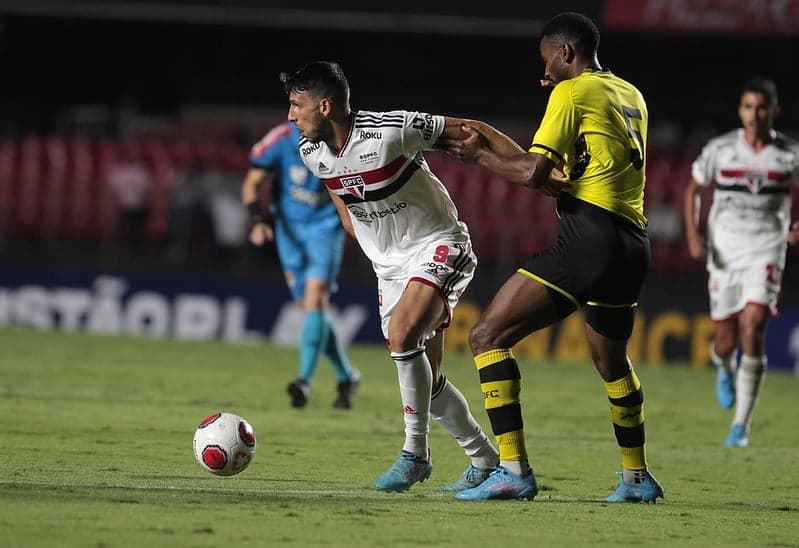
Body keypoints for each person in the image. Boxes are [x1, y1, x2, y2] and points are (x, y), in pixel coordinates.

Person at [440, 12, 663, 502]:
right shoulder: (630, 94)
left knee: (487, 335)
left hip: (591, 238)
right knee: (613, 362)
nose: (545, 72)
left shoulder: (572, 91)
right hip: (633, 244)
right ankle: (636, 476)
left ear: (566, 53)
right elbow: (565, 178)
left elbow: (533, 172)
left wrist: (481, 156)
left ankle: (513, 470)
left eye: (547, 60)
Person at [281, 61, 499, 492]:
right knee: (428, 382)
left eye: (296, 106)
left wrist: (532, 168)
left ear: (326, 106)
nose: (290, 116)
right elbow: (342, 202)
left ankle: (414, 455)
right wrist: (376, 249)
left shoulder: (389, 130)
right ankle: (485, 459)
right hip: (390, 267)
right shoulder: (311, 152)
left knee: (402, 338)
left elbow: (472, 130)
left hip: (439, 243)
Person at [683, 77, 799, 447]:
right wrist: (693, 235)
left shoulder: (788, 154)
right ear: (740, 111)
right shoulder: (721, 150)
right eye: (748, 107)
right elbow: (693, 189)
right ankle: (721, 366)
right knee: (725, 340)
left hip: (766, 249)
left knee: (754, 325)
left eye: (761, 107)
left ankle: (740, 426)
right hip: (725, 252)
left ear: (773, 112)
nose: (754, 114)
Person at [242, 119, 361, 409]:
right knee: (311, 308)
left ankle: (304, 381)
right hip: (289, 231)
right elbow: (251, 184)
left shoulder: (339, 138)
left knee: (315, 296)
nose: (296, 114)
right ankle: (347, 376)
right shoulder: (281, 138)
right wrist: (258, 222)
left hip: (326, 228)